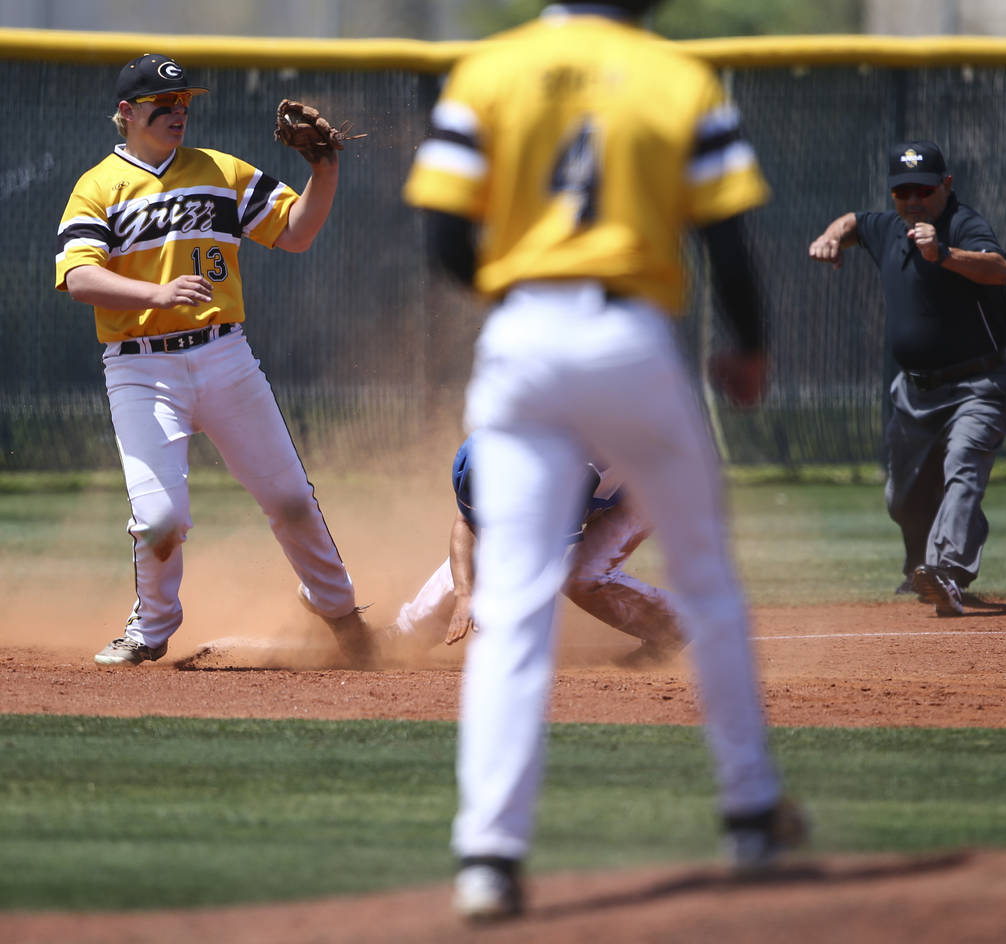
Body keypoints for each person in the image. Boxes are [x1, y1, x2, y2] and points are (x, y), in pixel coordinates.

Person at [404, 1, 807, 922]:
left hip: (521, 338)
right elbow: (727, 240)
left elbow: (442, 240)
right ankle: (750, 813)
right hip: (630, 334)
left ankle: (488, 858)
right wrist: (746, 344)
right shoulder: (677, 76)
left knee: (511, 609)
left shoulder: (490, 72)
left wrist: (521, 296)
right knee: (707, 583)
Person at [55, 54, 374, 667]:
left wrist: (324, 169)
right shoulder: (99, 186)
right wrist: (156, 293)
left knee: (290, 501)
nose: (179, 112)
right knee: (161, 518)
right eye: (163, 104)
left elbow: (295, 233)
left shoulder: (219, 170)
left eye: (184, 103)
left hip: (225, 356)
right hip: (139, 368)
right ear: (126, 113)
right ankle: (150, 629)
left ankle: (338, 611)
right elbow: (78, 276)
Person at [809, 140, 1006, 617]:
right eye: (902, 192)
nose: (913, 201)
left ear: (945, 186)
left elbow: (999, 269)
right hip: (915, 390)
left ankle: (947, 570)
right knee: (903, 496)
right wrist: (830, 236)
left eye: (923, 191)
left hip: (980, 385)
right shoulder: (888, 227)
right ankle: (921, 566)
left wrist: (943, 253)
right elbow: (853, 221)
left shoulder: (963, 223)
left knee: (963, 467)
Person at [388, 434, 684, 669]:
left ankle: (673, 626)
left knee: (583, 578)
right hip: (597, 480)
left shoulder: (564, 474)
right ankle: (402, 639)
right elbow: (466, 521)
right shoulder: (481, 450)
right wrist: (465, 596)